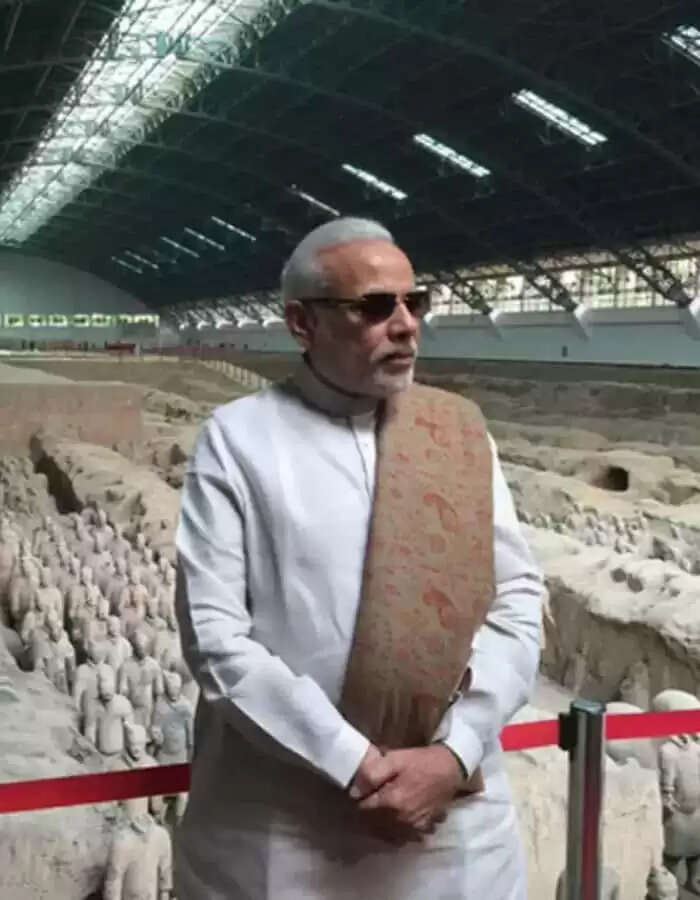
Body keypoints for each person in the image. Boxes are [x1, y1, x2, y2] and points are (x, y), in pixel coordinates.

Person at [174, 218, 543, 899]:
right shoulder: (238, 438)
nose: (406, 325)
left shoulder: (459, 433)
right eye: (375, 307)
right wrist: (353, 762)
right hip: (287, 824)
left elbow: (517, 598)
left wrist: (454, 753)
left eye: (414, 302)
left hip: (452, 820)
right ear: (301, 323)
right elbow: (215, 636)